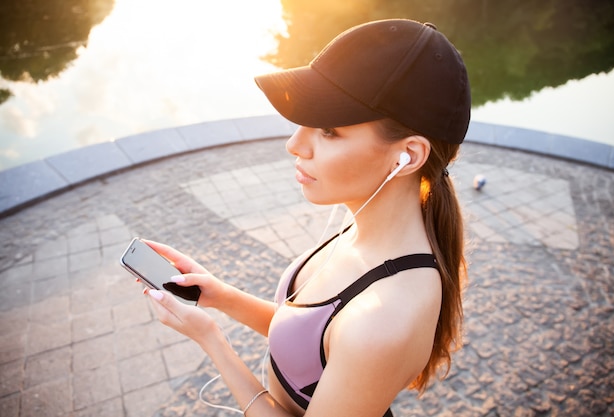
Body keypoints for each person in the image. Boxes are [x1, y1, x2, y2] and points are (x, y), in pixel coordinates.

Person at [143, 18, 470, 417]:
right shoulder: (366, 226)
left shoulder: (385, 317)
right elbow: (309, 341)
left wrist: (212, 341)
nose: (294, 144)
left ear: (408, 157)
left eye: (329, 130)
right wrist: (220, 295)